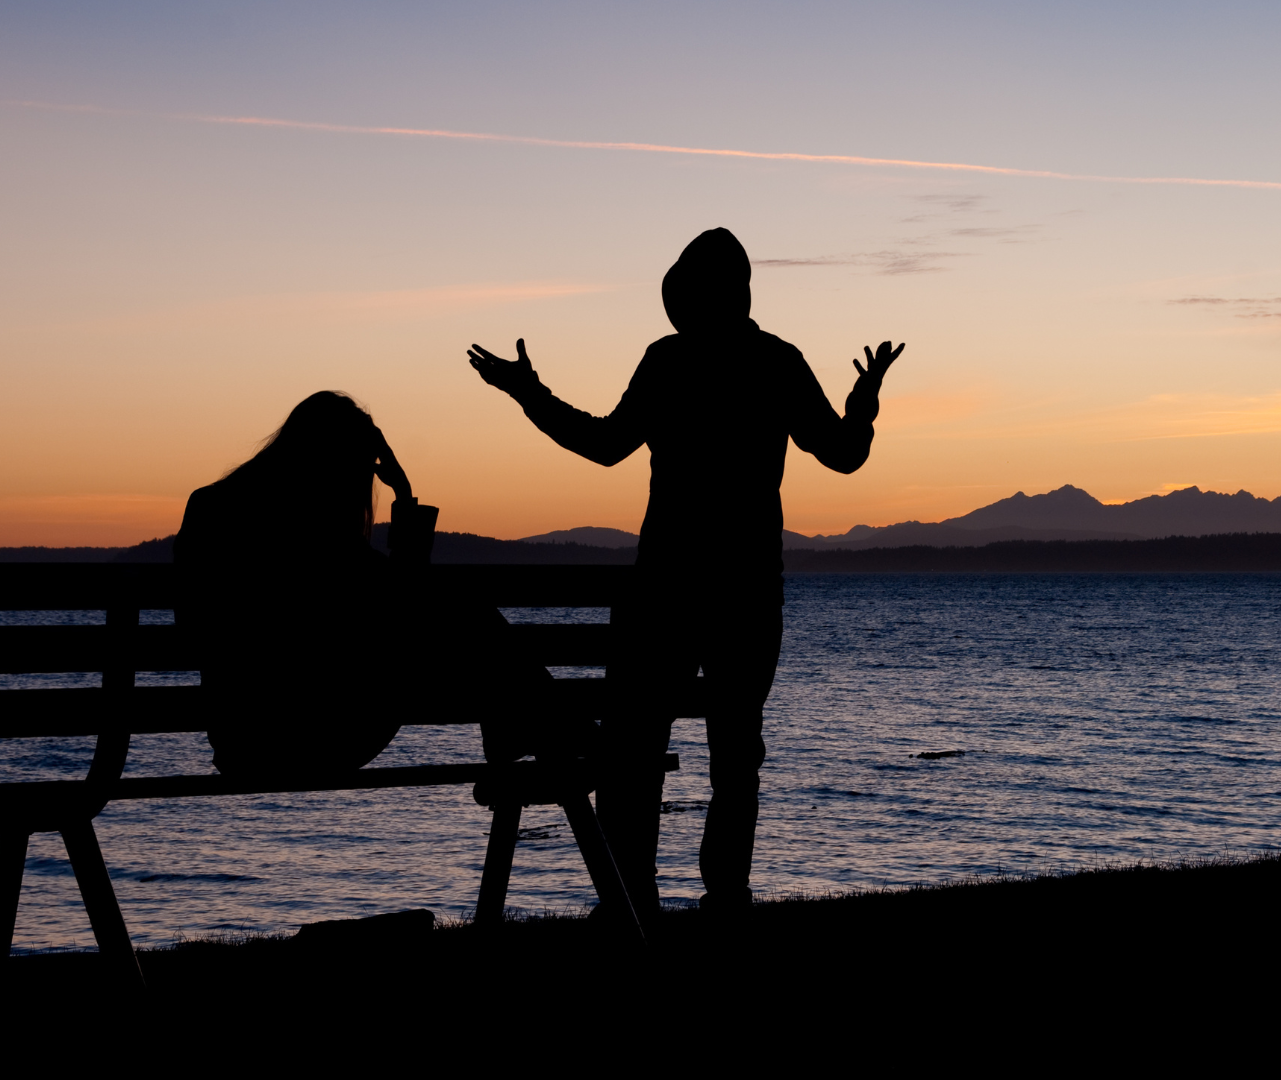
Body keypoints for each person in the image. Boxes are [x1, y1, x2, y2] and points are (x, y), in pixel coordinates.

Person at [467, 226, 902, 917]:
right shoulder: (775, 361)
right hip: (748, 591)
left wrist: (529, 394)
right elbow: (844, 454)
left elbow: (605, 444)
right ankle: (724, 895)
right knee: (736, 753)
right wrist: (863, 404)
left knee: (636, 749)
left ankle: (629, 894)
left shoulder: (668, 361)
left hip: (664, 588)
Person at [175, 390, 428, 776]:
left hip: (241, 741)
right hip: (329, 737)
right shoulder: (324, 536)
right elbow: (407, 592)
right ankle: (531, 718)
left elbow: (191, 628)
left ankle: (528, 718)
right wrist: (404, 493)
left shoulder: (209, 505)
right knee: (453, 612)